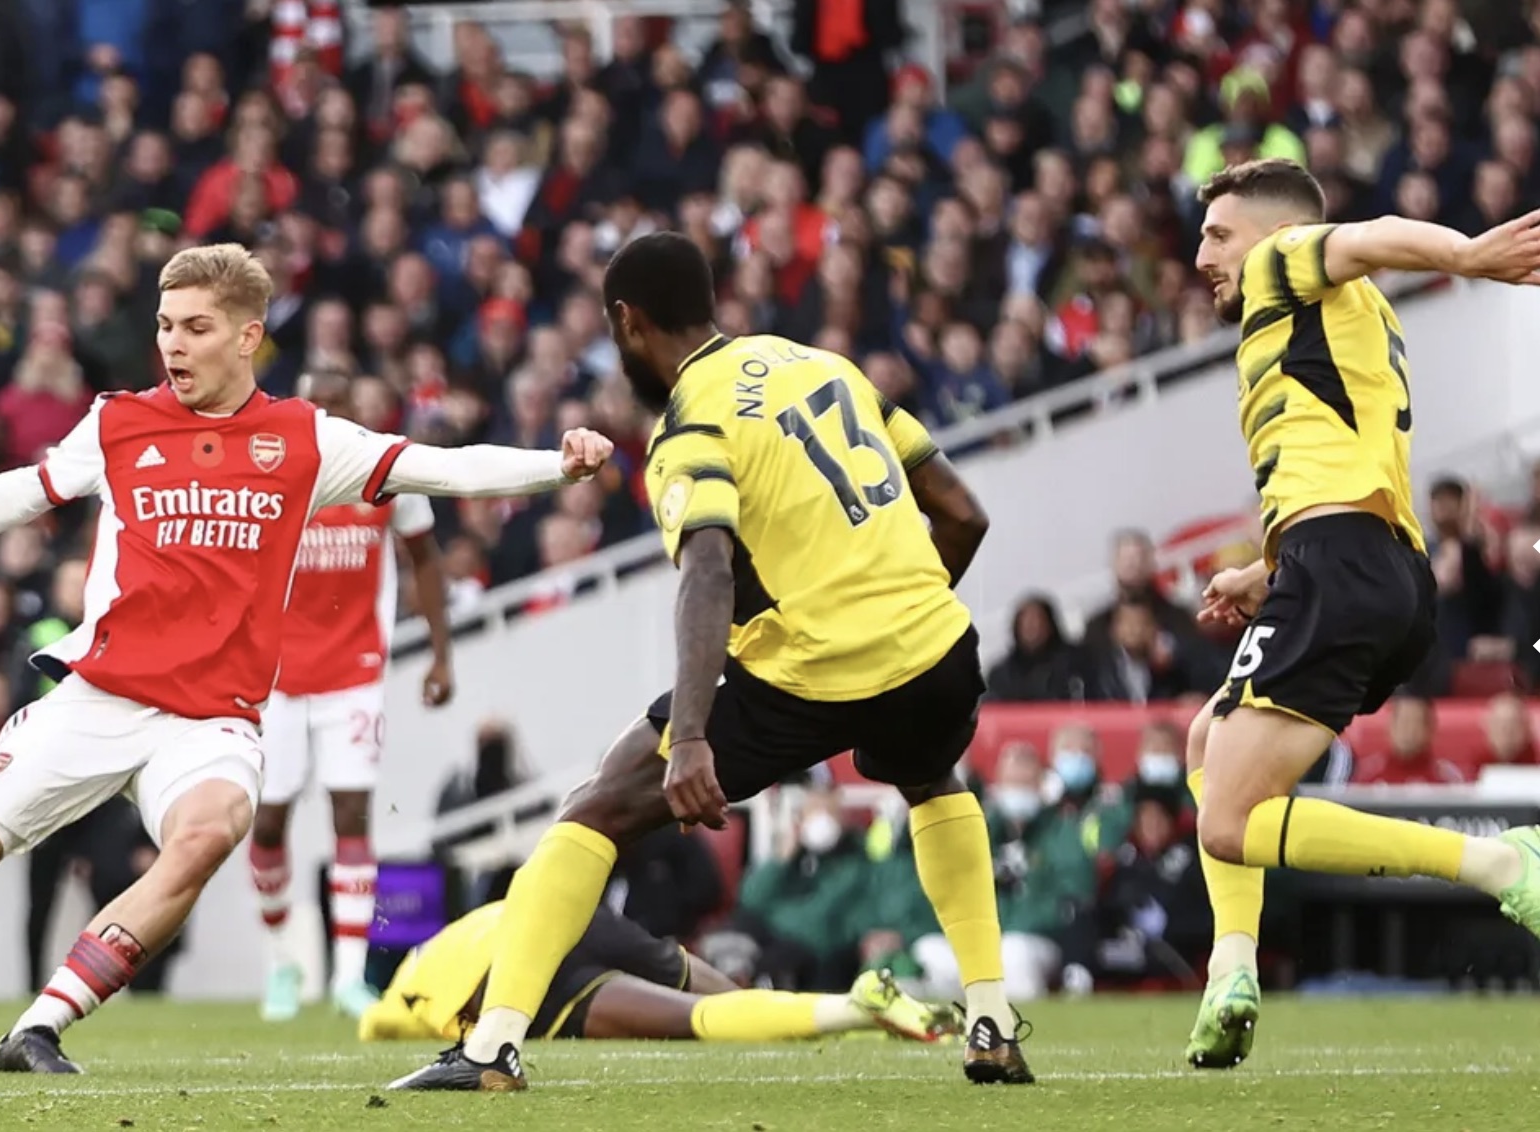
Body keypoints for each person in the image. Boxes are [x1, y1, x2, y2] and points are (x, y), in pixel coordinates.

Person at [0, 243, 614, 1075]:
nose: (173, 345)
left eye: (196, 328)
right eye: (165, 326)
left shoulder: (303, 439)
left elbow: (440, 469)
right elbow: (20, 490)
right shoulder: (120, 422)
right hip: (100, 700)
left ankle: (39, 1026)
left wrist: (556, 467)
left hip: (212, 719)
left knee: (209, 832)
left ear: (247, 338)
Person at [390, 232, 1028, 1091]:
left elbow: (707, 570)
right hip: (937, 649)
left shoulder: (693, 419)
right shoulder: (827, 366)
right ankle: (990, 1020)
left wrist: (690, 737)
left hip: (810, 670)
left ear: (627, 321)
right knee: (931, 780)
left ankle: (491, 1046)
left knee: (600, 806)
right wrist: (895, 605)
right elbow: (964, 514)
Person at [1181, 158, 1540, 1071]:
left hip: (1343, 565)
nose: (1202, 256)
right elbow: (1344, 460)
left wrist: (1466, 254)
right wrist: (1268, 573)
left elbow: (1367, 235)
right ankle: (1232, 967)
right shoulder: (1333, 322)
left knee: (1228, 822)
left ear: (1270, 232)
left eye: (1219, 235)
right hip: (1369, 565)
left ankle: (1499, 863)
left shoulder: (1286, 261)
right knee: (1205, 744)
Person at [250, 368, 456, 1023]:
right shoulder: (270, 473)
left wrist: (441, 653)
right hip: (274, 678)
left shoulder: (383, 469)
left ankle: (345, 976)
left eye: (340, 403)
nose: (329, 414)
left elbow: (425, 558)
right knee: (269, 821)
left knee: (351, 819)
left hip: (355, 672)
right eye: (318, 402)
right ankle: (283, 963)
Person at [357, 901, 958, 1046]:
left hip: (509, 986)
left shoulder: (405, 987)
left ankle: (852, 1008)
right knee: (700, 987)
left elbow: (374, 1026)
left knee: (692, 1022)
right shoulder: (465, 923)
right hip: (572, 915)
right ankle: (851, 1006)